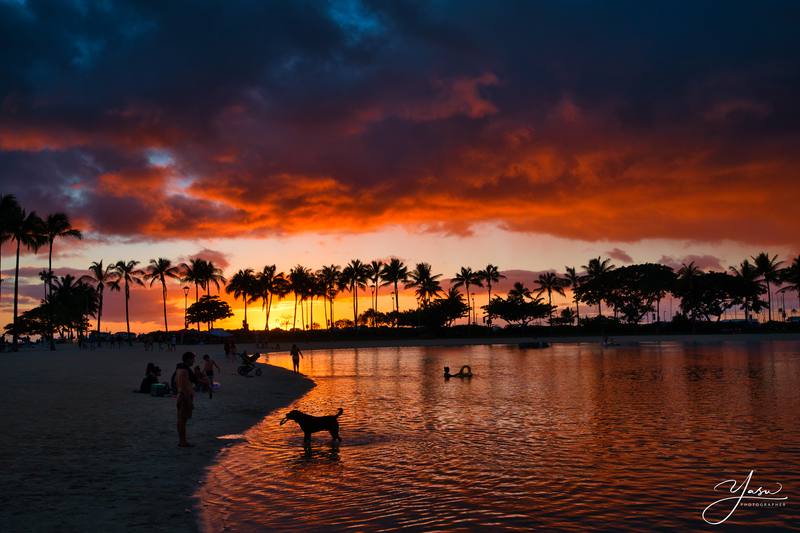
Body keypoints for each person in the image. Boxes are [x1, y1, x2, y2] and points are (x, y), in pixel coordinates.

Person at [174, 352, 198, 447]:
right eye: (193, 359)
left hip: (181, 396)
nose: (194, 361)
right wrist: (189, 402)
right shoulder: (184, 371)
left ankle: (182, 441)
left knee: (181, 420)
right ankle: (182, 442)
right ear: (188, 359)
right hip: (184, 397)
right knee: (182, 420)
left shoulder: (179, 369)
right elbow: (184, 388)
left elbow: (176, 383)